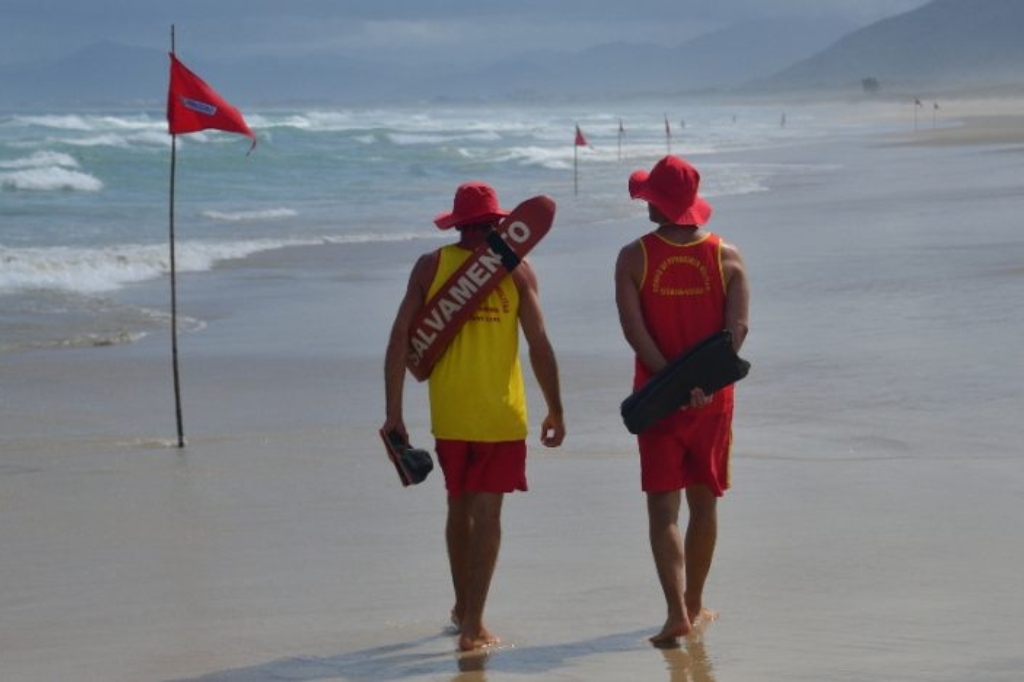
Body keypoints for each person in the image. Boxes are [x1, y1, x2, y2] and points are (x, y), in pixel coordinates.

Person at [383, 181, 566, 651]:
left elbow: (400, 337)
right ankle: (473, 627)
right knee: (488, 516)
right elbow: (539, 343)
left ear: (458, 223)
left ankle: (463, 608)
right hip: (501, 416)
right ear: (500, 224)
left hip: (450, 416)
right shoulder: (518, 270)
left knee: (458, 508)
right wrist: (555, 408)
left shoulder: (431, 266)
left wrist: (394, 413)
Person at [614, 155, 750, 646]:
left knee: (663, 510)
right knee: (704, 504)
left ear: (658, 203)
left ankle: (676, 612)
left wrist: (671, 381)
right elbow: (737, 331)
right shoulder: (726, 256)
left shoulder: (634, 257)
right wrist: (703, 383)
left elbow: (634, 330)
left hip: (659, 402)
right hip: (713, 402)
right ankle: (694, 603)